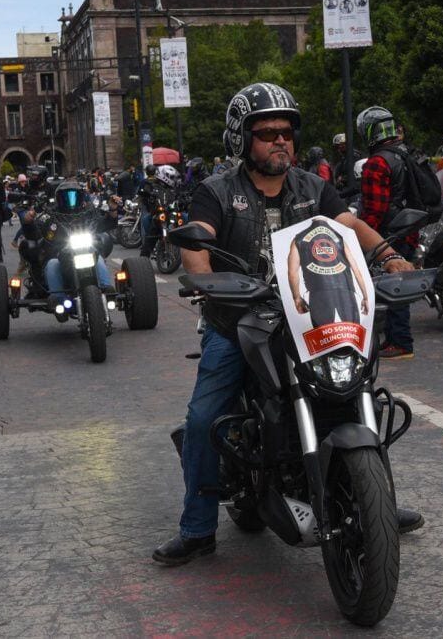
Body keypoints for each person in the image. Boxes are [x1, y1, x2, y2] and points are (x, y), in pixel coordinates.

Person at [153, 82, 423, 567]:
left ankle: (374, 499)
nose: (280, 141)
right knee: (201, 419)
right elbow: (198, 244)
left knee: (356, 392)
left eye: (287, 132)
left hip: (309, 316)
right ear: (242, 139)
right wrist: (204, 281)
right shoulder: (217, 192)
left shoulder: (313, 187)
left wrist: (388, 255)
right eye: (267, 133)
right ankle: (197, 528)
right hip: (238, 321)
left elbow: (347, 225)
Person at [357, 105, 419, 359]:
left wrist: (361, 235)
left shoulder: (378, 162)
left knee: (393, 288)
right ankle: (395, 338)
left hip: (388, 235)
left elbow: (375, 209)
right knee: (398, 285)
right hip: (409, 228)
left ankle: (401, 341)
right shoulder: (406, 154)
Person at [138, 164, 181, 259]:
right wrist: (148, 195)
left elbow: (180, 195)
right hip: (158, 213)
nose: (173, 179)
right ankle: (143, 257)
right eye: (171, 177)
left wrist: (186, 199)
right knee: (150, 228)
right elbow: (143, 192)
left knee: (185, 218)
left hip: (171, 212)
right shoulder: (152, 185)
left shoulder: (173, 188)